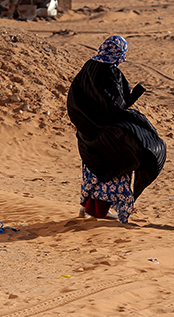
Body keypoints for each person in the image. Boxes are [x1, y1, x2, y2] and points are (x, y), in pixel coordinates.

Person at [67, 35, 166, 224]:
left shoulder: (88, 67)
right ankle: (102, 210)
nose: (123, 58)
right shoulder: (109, 72)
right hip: (109, 135)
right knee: (129, 157)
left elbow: (77, 98)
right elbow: (116, 106)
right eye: (122, 54)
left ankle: (87, 208)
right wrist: (134, 100)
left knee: (93, 169)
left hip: (88, 132)